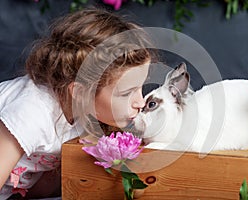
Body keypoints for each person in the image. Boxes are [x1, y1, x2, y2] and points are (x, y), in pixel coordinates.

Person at [0, 6, 155, 199]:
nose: (140, 102)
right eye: (126, 93)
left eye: (141, 87)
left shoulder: (85, 115)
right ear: (81, 92)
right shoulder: (33, 111)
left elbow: (40, 189)